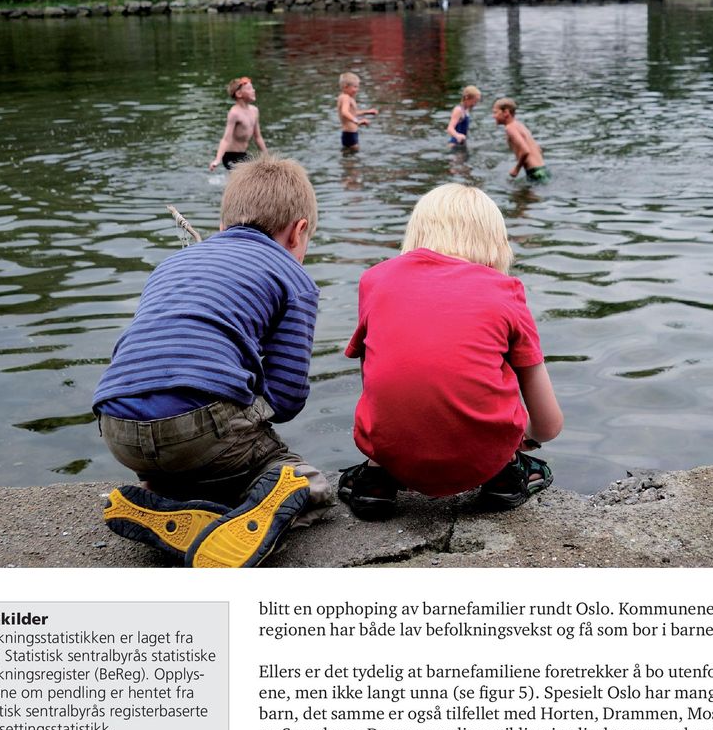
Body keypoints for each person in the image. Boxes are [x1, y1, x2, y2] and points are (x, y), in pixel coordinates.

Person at [93, 155, 332, 567]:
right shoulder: (293, 277)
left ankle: (167, 500)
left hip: (117, 427)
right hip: (198, 429)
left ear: (223, 226)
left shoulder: (170, 265)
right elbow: (288, 398)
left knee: (194, 442)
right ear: (299, 231)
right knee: (305, 482)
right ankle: (239, 520)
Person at [339, 183, 563, 520]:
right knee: (499, 407)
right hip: (481, 457)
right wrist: (526, 436)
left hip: (391, 448)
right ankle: (504, 475)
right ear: (495, 243)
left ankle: (375, 483)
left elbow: (375, 388)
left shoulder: (375, 280)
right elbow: (549, 424)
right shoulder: (506, 291)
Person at [209, 76, 267, 170]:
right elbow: (226, 139)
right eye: (249, 88)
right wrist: (217, 159)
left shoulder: (254, 111)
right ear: (239, 94)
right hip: (230, 156)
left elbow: (258, 137)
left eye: (252, 87)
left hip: (243, 154)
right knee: (246, 176)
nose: (253, 90)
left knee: (258, 172)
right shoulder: (234, 113)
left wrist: (266, 156)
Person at [492, 97, 548, 182]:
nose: (493, 116)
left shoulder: (510, 128)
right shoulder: (519, 125)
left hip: (534, 172)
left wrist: (516, 169)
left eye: (495, 112)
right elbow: (538, 149)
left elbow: (525, 151)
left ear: (506, 112)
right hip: (542, 169)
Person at [337, 71, 378, 151]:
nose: (357, 90)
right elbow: (344, 112)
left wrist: (367, 112)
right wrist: (357, 121)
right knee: (352, 157)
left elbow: (352, 113)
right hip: (349, 134)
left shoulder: (345, 97)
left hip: (350, 133)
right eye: (355, 87)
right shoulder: (345, 98)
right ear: (345, 87)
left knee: (351, 155)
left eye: (358, 87)